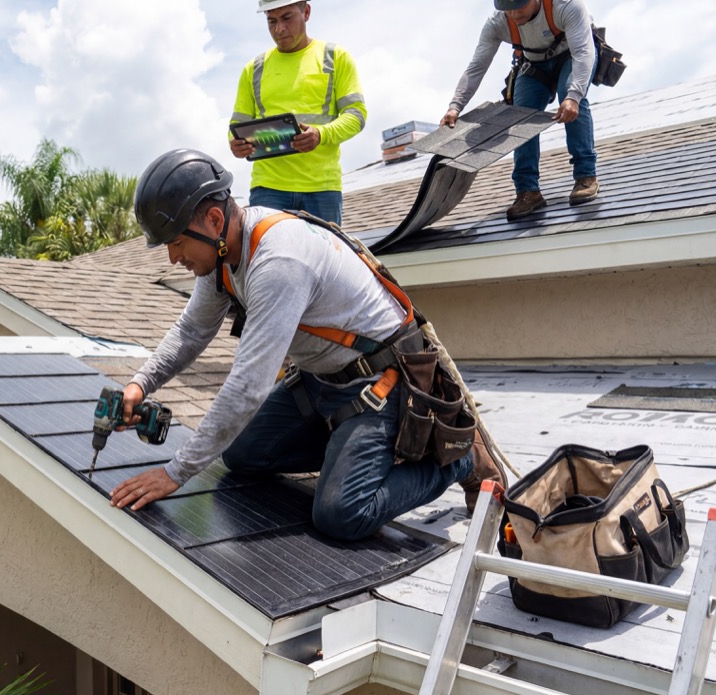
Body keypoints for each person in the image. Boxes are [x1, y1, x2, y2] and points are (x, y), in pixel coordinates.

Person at [110, 149, 502, 539]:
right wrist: (140, 384)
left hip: (381, 385)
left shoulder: (278, 261)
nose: (172, 257)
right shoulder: (223, 257)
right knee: (242, 455)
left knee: (341, 514)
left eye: (176, 242)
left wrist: (174, 473)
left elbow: (248, 386)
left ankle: (460, 459)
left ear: (213, 220)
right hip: (321, 381)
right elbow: (190, 333)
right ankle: (349, 452)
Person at [441, 0, 599, 221]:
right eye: (507, 9)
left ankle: (586, 176)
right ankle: (528, 191)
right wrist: (455, 106)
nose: (514, 14)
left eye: (519, 6)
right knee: (519, 116)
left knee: (572, 100)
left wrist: (573, 96)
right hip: (533, 65)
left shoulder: (566, 6)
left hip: (572, 56)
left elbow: (583, 52)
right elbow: (477, 67)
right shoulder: (497, 23)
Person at [228, 0, 366, 226]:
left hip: (322, 188)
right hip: (268, 187)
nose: (279, 29)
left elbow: (356, 116)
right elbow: (237, 124)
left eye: (287, 18)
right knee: (269, 260)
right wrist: (235, 143)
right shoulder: (253, 69)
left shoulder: (335, 58)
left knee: (324, 260)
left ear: (307, 12)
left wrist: (321, 134)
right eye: (271, 21)